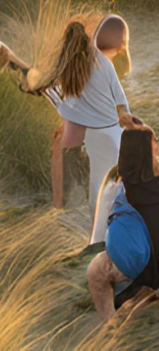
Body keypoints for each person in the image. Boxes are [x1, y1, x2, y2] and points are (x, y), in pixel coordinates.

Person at [2, 16, 135, 228]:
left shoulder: (85, 65)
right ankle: (67, 210)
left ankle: (60, 208)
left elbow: (44, 87)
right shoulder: (102, 62)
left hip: (92, 135)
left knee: (61, 144)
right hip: (100, 134)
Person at [87, 123, 159, 326]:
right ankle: (150, 320)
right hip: (157, 273)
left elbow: (99, 236)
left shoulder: (115, 184)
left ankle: (111, 323)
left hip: (121, 266)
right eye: (156, 144)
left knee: (96, 270)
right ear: (147, 152)